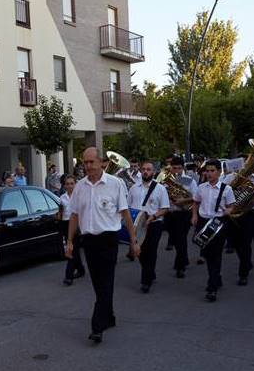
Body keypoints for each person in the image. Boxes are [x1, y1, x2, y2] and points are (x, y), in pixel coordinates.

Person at [66, 147, 139, 344]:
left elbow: (125, 214)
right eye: (85, 162)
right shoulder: (80, 186)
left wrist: (133, 241)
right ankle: (110, 316)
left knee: (106, 281)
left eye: (92, 162)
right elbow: (74, 215)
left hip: (108, 240)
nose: (88, 166)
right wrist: (70, 241)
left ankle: (97, 327)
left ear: (101, 163)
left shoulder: (115, 184)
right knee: (98, 283)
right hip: (89, 241)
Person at [191, 160, 236, 302]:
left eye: (212, 171)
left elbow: (232, 205)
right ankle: (217, 277)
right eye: (207, 171)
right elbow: (195, 203)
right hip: (204, 222)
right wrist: (194, 216)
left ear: (219, 172)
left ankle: (212, 288)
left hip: (218, 223)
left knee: (215, 254)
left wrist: (229, 210)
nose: (209, 174)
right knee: (207, 253)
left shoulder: (226, 189)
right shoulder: (201, 187)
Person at [135, 162, 170, 293]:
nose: (146, 171)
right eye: (143, 169)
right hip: (139, 224)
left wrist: (154, 216)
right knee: (140, 252)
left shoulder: (160, 188)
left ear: (153, 172)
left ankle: (145, 282)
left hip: (154, 223)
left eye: (148, 169)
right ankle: (150, 272)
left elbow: (165, 208)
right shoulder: (134, 188)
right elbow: (129, 207)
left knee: (150, 251)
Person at [162, 157, 197, 278]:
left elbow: (195, 197)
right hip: (170, 214)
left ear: (183, 168)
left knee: (181, 239)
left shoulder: (189, 181)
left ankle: (180, 267)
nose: (176, 171)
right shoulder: (166, 181)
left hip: (183, 213)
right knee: (177, 240)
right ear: (170, 168)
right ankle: (184, 259)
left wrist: (183, 201)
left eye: (179, 168)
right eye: (174, 168)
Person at [59, 174, 85, 286]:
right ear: (64, 185)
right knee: (74, 249)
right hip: (66, 224)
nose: (69, 186)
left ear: (75, 184)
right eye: (67, 184)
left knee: (72, 249)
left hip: (77, 224)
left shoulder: (80, 196)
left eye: (72, 184)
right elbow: (61, 213)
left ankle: (68, 276)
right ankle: (81, 269)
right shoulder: (62, 198)